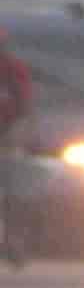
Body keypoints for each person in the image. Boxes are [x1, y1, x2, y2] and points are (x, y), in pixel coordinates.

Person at [0, 26, 32, 269]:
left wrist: (15, 137)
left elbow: (23, 108)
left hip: (7, 140)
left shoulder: (14, 71)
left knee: (14, 193)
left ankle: (14, 242)